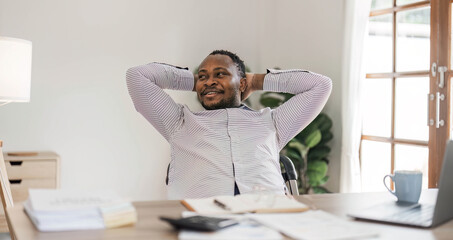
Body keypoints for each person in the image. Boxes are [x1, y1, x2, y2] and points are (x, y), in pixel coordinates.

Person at [126, 50, 332, 199]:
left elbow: (321, 85)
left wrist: (256, 81)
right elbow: (137, 76)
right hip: (202, 222)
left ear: (242, 83)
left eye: (220, 74)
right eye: (203, 76)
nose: (208, 81)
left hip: (268, 217)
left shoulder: (272, 122)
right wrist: (196, 82)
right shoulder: (179, 121)